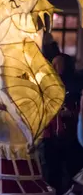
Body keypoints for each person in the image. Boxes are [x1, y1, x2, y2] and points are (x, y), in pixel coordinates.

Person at [39, 53, 83, 195]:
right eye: (53, 63)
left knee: (72, 170)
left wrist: (70, 112)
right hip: (51, 135)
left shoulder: (74, 84)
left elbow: (78, 107)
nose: (54, 67)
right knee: (53, 171)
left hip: (71, 135)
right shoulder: (46, 85)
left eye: (58, 64)